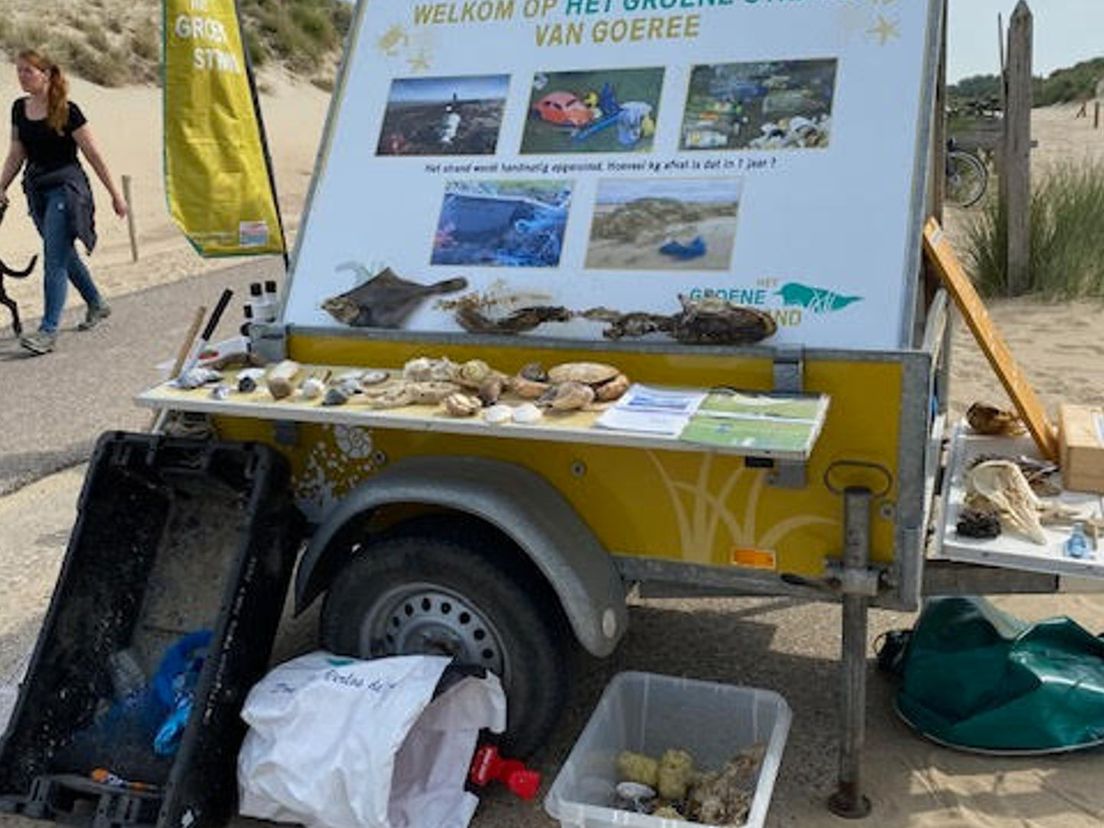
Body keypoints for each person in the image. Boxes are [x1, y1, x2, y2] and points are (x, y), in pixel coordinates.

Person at [0, 49, 127, 356]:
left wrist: (115, 194)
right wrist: (1, 185)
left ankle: (47, 331)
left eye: (28, 71)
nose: (21, 76)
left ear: (46, 74)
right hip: (36, 188)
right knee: (64, 253)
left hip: (66, 189)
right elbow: (17, 152)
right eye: (19, 71)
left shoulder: (68, 111)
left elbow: (93, 154)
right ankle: (96, 302)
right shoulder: (19, 108)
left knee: (53, 257)